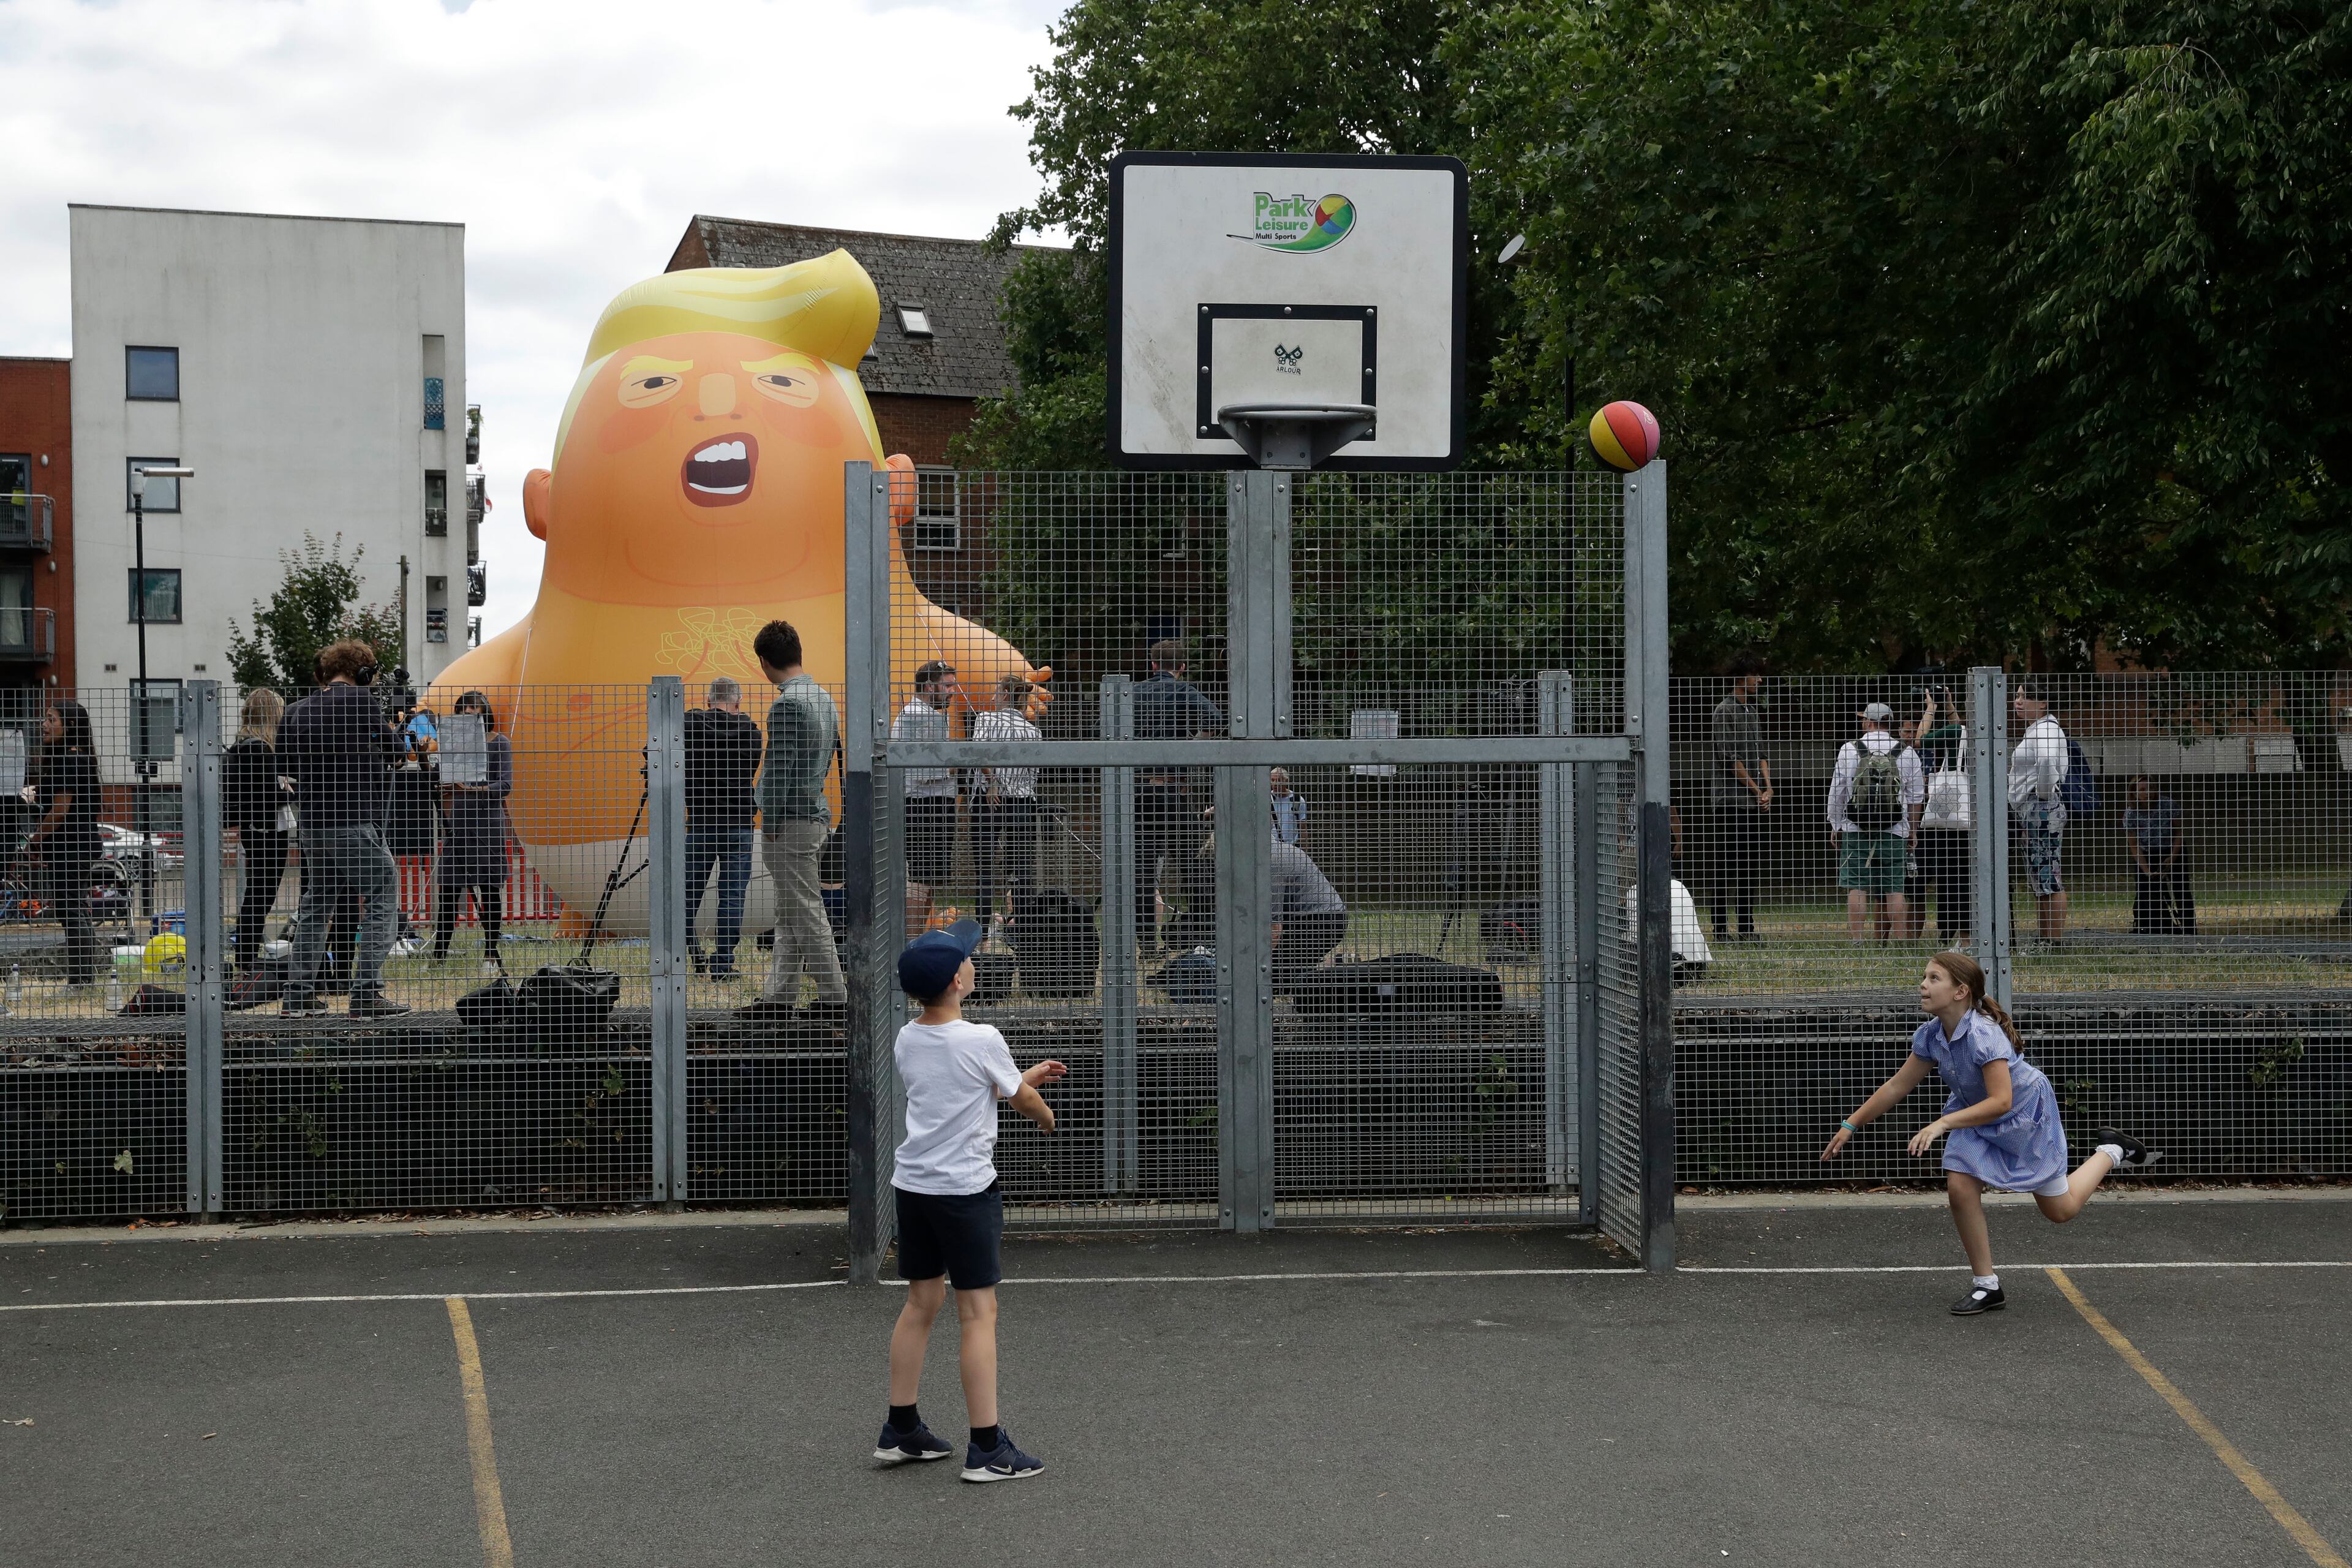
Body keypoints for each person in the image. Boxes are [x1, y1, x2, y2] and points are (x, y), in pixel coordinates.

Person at [1822, 951, 2160, 1314]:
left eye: (1934, 979)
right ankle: (1987, 1285)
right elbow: (1896, 1086)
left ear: (1960, 992)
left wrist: (1943, 1123)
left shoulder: (1984, 1034)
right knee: (1960, 1184)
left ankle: (2110, 1151)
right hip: (1975, 1119)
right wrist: (1850, 1123)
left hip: (2025, 1118)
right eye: (1925, 977)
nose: (1923, 985)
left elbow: (2001, 1101)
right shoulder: (1932, 1034)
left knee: (2061, 1211)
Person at [875, 919, 1065, 1482]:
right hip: (964, 1191)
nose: (974, 959)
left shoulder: (908, 1036)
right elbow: (1020, 1099)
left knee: (920, 1303)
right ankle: (987, 1448)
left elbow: (961, 1087)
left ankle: (901, 1428)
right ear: (958, 980)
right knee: (978, 1312)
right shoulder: (982, 1039)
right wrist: (1045, 1114)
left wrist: (1017, 1078)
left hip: (915, 1185)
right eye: (968, 956)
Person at [279, 639, 408, 1017]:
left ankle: (297, 995)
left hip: (313, 823)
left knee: (317, 905)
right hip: (353, 821)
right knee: (383, 888)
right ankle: (367, 992)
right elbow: (397, 754)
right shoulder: (362, 702)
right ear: (363, 673)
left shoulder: (295, 711)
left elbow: (285, 767)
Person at [753, 619, 847, 1017]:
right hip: (813, 816)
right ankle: (779, 997)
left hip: (789, 822)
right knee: (791, 910)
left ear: (764, 660)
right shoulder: (822, 697)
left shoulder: (787, 704)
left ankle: (835, 998)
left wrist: (769, 820)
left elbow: (778, 770)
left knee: (804, 910)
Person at [1132, 639, 1223, 952]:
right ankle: (1199, 935)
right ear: (1182, 667)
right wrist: (1191, 746)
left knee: (1142, 870)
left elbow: (1104, 728)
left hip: (1141, 792)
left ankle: (1146, 943)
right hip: (1175, 792)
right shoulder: (1185, 692)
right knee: (1195, 867)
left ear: (1153, 665)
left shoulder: (1133, 692)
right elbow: (1215, 721)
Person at [1825, 701, 1926, 943]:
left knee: (1857, 885)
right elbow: (1916, 796)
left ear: (1868, 722)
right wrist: (1912, 830)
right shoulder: (1907, 751)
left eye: (1863, 719)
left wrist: (1836, 824)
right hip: (1894, 828)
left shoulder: (1849, 749)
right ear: (1889, 723)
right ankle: (1900, 941)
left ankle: (1857, 940)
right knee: (1895, 887)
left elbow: (1838, 789)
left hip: (1856, 827)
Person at [683, 675, 763, 977]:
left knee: (688, 893)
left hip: (701, 822)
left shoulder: (689, 726)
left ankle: (689, 953)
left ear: (708, 701)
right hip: (738, 824)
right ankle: (723, 963)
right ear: (738, 701)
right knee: (732, 895)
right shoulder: (751, 732)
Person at [431, 690, 512, 974]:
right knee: (449, 890)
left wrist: (474, 790)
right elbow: (441, 777)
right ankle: (439, 954)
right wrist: (442, 781)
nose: (468, 717)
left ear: (484, 714)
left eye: (474, 712)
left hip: (488, 824)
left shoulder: (499, 743)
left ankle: (491, 952)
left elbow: (504, 786)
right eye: (463, 712)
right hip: (459, 823)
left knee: (489, 889)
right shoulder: (454, 746)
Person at [26, 699, 101, 987]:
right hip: (70, 846)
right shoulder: (69, 758)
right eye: (45, 718)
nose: (44, 724)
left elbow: (60, 809)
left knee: (71, 911)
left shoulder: (70, 759)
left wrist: (35, 839)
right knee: (73, 910)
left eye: (51, 719)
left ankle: (81, 982)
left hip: (72, 847)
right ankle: (82, 979)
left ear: (69, 726)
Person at [224, 688, 292, 977]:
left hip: (254, 829)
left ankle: (246, 958)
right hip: (267, 829)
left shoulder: (241, 745)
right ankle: (247, 961)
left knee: (257, 895)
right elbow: (266, 794)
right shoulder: (260, 748)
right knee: (260, 896)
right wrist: (289, 789)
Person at [970, 672, 1042, 941]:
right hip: (1022, 802)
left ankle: (984, 931)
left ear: (1003, 695)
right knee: (1023, 868)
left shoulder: (986, 719)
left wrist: (992, 782)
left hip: (989, 800)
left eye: (996, 692)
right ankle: (1022, 929)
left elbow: (979, 752)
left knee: (985, 867)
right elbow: (1033, 773)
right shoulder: (1033, 730)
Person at [893, 660, 960, 935]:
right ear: (930, 686)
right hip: (924, 804)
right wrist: (957, 762)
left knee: (929, 877)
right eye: (947, 685)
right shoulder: (918, 716)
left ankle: (920, 939)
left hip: (935, 800)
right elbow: (923, 767)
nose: (953, 691)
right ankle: (912, 939)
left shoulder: (931, 714)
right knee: (921, 876)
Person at [1708, 657, 1771, 941]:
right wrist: (1758, 790)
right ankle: (1720, 929)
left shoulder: (1753, 711)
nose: (1759, 680)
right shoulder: (1724, 710)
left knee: (1749, 865)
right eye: (1754, 675)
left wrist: (1769, 788)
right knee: (1725, 865)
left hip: (1753, 802)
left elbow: (1760, 754)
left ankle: (1747, 928)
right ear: (1740, 678)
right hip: (1730, 801)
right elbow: (1729, 758)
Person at [1909, 685, 1972, 946]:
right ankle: (1966, 935)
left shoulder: (1955, 732)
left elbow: (1919, 739)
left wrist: (1931, 709)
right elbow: (1958, 726)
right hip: (1971, 817)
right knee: (1965, 878)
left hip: (1949, 824)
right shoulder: (1971, 733)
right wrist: (1949, 705)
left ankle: (1951, 936)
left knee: (1949, 880)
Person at [2010, 681, 2071, 943]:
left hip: (2041, 808)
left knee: (2049, 875)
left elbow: (2046, 762)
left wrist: (2042, 796)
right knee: (2040, 876)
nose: (2018, 701)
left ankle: (2053, 941)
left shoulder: (2046, 729)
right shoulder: (2037, 729)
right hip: (2034, 809)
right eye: (2018, 695)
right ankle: (2045, 939)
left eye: (2025, 696)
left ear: (2043, 703)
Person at [1268, 835, 1346, 991]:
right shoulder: (1284, 850)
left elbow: (1274, 927)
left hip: (1317, 922)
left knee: (1268, 977)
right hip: (1330, 917)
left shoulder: (1271, 860)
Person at [2124, 776, 2195, 935]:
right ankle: (2149, 927)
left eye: (2151, 789)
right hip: (2147, 853)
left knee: (2181, 890)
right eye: (2142, 790)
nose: (2148, 793)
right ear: (2134, 793)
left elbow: (2179, 833)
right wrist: (2146, 870)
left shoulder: (2168, 805)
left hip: (2172, 850)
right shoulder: (2131, 814)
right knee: (2145, 891)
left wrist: (2172, 857)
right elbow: (2134, 846)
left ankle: (2190, 929)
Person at [1269, 767, 1306, 846]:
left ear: (1286, 781)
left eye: (1279, 780)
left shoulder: (1297, 800)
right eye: (1272, 780)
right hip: (1272, 846)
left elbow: (1303, 828)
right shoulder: (1267, 799)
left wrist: (1305, 853)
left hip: (1292, 846)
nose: (1275, 784)